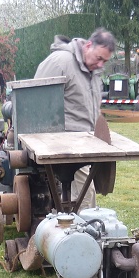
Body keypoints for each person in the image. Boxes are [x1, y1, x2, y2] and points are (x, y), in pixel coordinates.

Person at [33, 28, 116, 210]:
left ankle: (74, 229)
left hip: (86, 144)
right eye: (99, 58)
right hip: (65, 145)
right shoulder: (60, 62)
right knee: (85, 196)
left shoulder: (92, 70)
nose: (101, 64)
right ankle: (81, 233)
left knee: (84, 194)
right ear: (88, 46)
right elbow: (36, 102)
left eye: (105, 61)